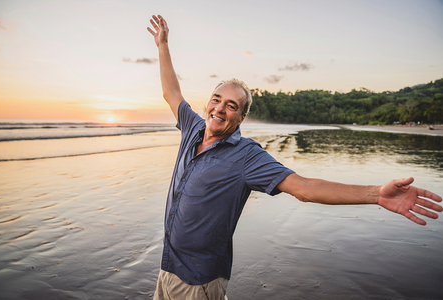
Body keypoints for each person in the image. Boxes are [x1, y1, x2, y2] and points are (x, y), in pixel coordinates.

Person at [147, 15, 442, 300]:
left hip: (200, 280)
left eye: (231, 105)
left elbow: (304, 188)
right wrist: (163, 45)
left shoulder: (247, 156)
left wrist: (376, 194)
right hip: (167, 267)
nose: (220, 109)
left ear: (242, 117)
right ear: (207, 103)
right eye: (216, 99)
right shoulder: (192, 128)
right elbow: (171, 91)